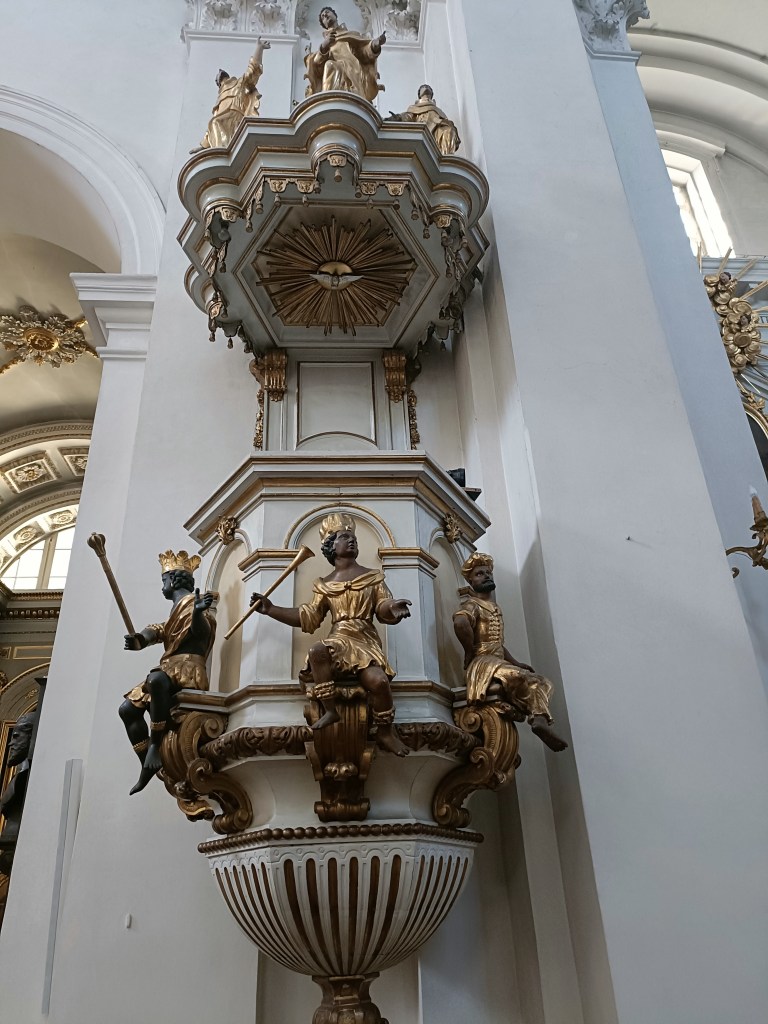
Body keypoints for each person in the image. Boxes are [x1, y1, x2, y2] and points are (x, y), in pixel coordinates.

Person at [250, 512, 410, 756]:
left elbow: (382, 606)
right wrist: (271, 609)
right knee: (317, 651)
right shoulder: (324, 584)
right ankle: (330, 710)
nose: (351, 540)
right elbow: (309, 616)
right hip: (339, 639)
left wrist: (392, 607)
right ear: (331, 546)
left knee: (379, 682)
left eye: (353, 537)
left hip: (364, 640)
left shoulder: (373, 577)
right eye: (344, 537)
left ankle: (386, 732)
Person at [119, 550, 216, 794]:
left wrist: (197, 613)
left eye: (164, 580)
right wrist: (140, 639)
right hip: (169, 669)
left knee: (156, 680)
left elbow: (202, 633)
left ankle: (154, 745)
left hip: (188, 669)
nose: (162, 586)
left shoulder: (194, 603)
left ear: (172, 580)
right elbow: (159, 630)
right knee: (127, 709)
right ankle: (146, 765)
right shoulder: (175, 611)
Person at [453, 552, 568, 752]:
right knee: (522, 678)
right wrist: (469, 652)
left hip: (498, 661)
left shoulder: (494, 607)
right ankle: (538, 720)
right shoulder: (472, 605)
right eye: (479, 574)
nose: (486, 576)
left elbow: (498, 645)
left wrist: (515, 662)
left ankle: (539, 719)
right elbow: (460, 623)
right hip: (484, 662)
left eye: (488, 573)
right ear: (470, 581)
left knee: (543, 681)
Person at [193, 38, 271, 151]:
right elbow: (210, 131)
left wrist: (259, 49)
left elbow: (253, 70)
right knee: (215, 122)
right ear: (219, 84)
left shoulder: (239, 83)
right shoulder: (219, 101)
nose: (220, 74)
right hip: (225, 121)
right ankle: (222, 153)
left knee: (215, 122)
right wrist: (201, 147)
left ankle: (223, 153)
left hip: (237, 116)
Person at [305, 6, 385, 103]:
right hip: (336, 68)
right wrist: (324, 46)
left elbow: (363, 53)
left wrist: (374, 45)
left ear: (335, 15)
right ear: (324, 24)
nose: (325, 15)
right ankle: (328, 101)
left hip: (353, 70)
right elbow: (317, 62)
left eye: (327, 12)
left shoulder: (350, 35)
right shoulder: (327, 41)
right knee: (329, 65)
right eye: (322, 17)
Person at [0, 714, 35, 876]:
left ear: (32, 736)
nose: (10, 743)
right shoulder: (18, 780)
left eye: (16, 736)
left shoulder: (32, 781)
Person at [389, 84, 461, 155]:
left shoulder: (437, 110)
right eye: (423, 87)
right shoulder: (414, 108)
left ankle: (445, 157)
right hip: (420, 129)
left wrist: (444, 123)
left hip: (435, 130)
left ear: (432, 94)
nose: (426, 88)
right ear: (419, 94)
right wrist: (398, 117)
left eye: (428, 87)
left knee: (449, 131)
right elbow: (408, 117)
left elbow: (443, 120)